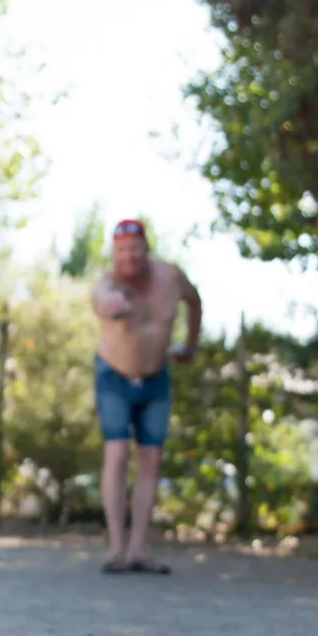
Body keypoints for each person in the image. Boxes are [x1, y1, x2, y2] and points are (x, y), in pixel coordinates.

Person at [92, 218, 202, 573]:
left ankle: (139, 549)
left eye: (134, 248)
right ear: (114, 253)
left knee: (151, 459)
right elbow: (100, 298)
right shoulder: (109, 284)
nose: (129, 257)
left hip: (156, 377)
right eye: (121, 250)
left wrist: (190, 344)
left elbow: (195, 301)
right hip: (113, 376)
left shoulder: (170, 278)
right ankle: (116, 548)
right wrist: (109, 303)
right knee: (118, 450)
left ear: (146, 248)